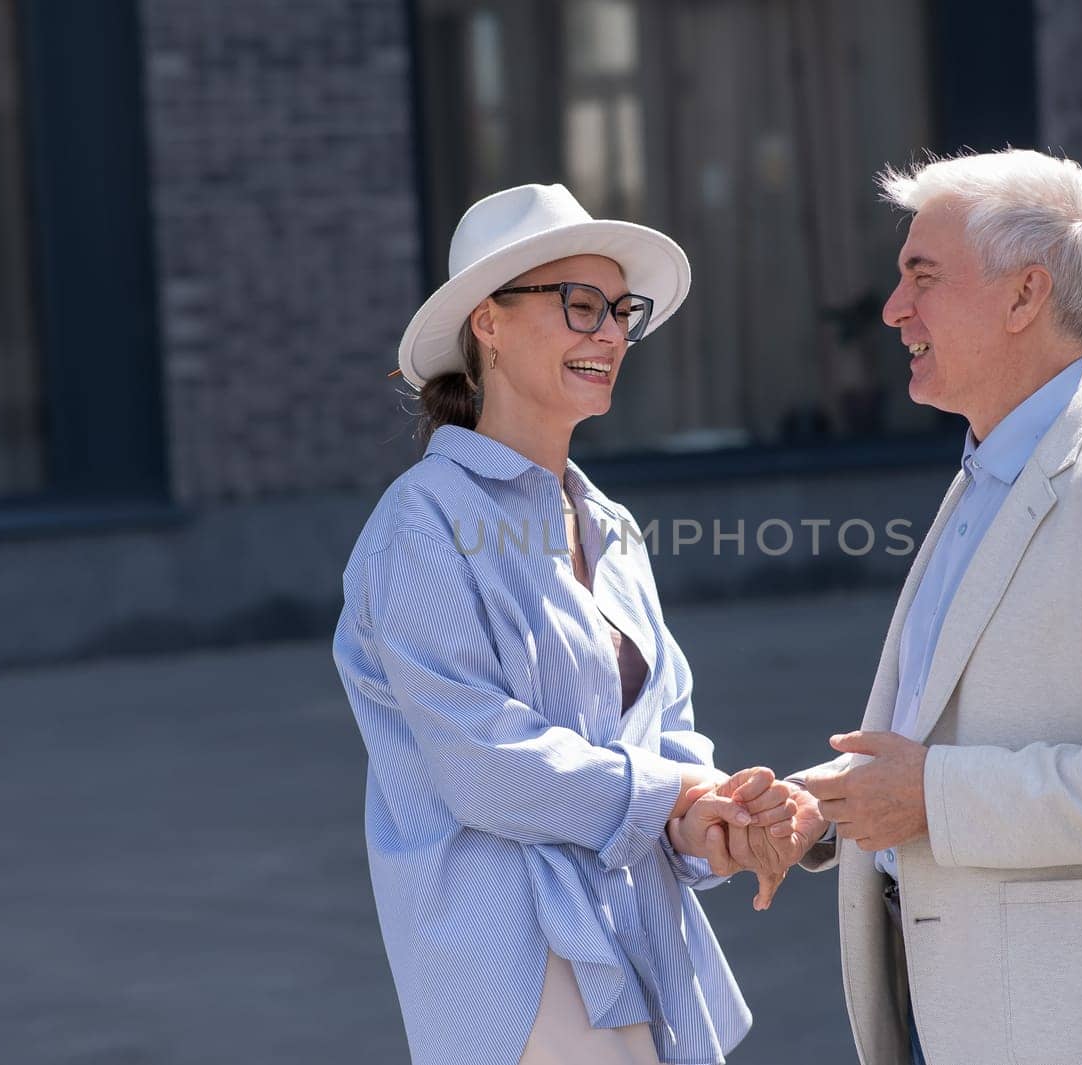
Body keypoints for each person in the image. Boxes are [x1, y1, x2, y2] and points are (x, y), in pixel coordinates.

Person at [724, 149, 1082, 1064]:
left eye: (922, 278)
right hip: (966, 1013)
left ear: (1024, 298)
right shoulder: (992, 468)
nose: (895, 309)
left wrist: (929, 796)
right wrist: (828, 806)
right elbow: (942, 734)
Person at [332, 183, 814, 1065]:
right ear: (489, 322)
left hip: (636, 939)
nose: (609, 333)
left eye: (620, 311)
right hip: (516, 965)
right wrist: (675, 796)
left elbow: (666, 731)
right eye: (579, 305)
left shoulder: (612, 526)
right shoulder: (421, 523)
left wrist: (715, 817)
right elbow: (484, 764)